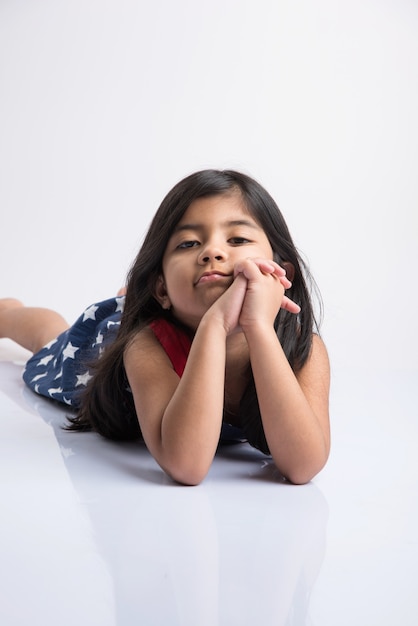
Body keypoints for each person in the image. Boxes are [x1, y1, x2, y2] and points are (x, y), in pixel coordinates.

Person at [0, 169, 330, 485]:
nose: (213, 251)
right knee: (51, 336)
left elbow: (302, 467)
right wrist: (214, 325)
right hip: (105, 348)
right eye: (188, 243)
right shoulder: (145, 345)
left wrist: (257, 326)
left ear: (281, 274)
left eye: (238, 238)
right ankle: (8, 313)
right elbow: (186, 465)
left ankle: (132, 299)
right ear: (161, 289)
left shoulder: (303, 350)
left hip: (165, 311)